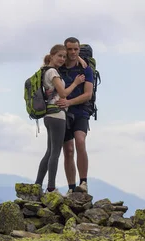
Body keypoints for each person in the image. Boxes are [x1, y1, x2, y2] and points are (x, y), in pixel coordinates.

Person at [34, 44, 85, 194]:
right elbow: (63, 94)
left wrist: (79, 58)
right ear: (52, 56)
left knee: (49, 151)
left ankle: (38, 184)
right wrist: (76, 83)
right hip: (57, 115)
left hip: (49, 115)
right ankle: (51, 187)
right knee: (55, 152)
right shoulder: (53, 73)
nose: (62, 59)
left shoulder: (45, 71)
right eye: (60, 56)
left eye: (64, 56)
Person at [56, 37, 95, 194]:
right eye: (70, 49)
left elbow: (88, 94)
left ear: (79, 50)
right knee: (68, 150)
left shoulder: (86, 69)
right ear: (65, 50)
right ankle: (71, 187)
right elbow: (49, 58)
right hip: (62, 113)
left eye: (76, 49)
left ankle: (83, 183)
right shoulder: (59, 67)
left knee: (80, 142)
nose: (73, 52)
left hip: (80, 111)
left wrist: (69, 103)